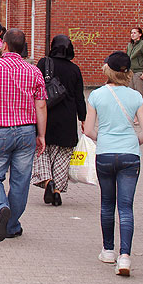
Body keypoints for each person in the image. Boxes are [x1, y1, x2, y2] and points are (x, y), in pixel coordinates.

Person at [83, 51, 143, 277]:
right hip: (130, 156)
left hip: (105, 154)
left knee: (106, 204)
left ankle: (108, 250)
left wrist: (102, 139)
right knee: (126, 207)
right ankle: (125, 257)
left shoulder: (96, 95)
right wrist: (133, 142)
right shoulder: (135, 97)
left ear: (108, 70)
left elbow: (88, 129)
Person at [0, 28, 47, 242]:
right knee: (20, 180)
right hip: (26, 130)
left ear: (4, 45)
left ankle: (0, 209)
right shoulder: (34, 71)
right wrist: (41, 134)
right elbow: (41, 105)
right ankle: (12, 224)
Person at [32, 35, 86, 206]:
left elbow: (35, 89)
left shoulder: (43, 63)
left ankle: (48, 181)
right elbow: (79, 97)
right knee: (63, 155)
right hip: (68, 118)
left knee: (42, 151)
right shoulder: (74, 69)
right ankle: (57, 191)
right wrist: (83, 118)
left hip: (46, 115)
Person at [125, 27, 143, 107]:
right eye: (131, 33)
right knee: (131, 95)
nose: (132, 35)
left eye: (135, 33)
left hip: (139, 72)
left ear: (140, 34)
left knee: (140, 95)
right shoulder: (130, 45)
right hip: (130, 72)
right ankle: (134, 116)